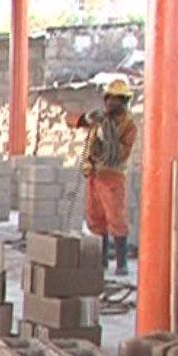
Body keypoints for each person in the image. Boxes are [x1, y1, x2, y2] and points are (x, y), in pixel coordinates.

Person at [68, 79, 138, 275]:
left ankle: (122, 263)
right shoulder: (99, 119)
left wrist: (106, 135)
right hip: (94, 175)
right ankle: (102, 260)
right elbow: (70, 120)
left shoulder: (128, 125)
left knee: (116, 219)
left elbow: (120, 153)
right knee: (96, 219)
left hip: (112, 177)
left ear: (123, 102)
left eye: (116, 100)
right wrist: (85, 119)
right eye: (109, 98)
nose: (110, 103)